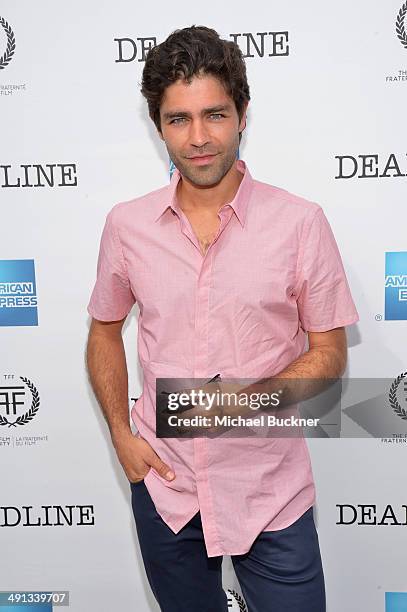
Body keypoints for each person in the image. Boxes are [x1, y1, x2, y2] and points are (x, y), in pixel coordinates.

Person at [86, 25, 359, 612]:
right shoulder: (125, 226)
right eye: (179, 119)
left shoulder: (300, 222)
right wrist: (119, 435)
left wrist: (233, 405)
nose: (199, 138)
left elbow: (330, 353)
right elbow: (104, 330)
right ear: (158, 125)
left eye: (215, 114)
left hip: (269, 490)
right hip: (167, 488)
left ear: (242, 114)